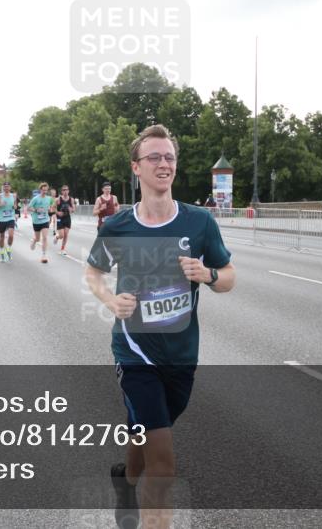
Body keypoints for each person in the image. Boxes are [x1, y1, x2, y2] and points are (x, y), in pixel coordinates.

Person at [84, 124, 235, 529]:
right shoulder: (117, 226)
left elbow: (229, 275)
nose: (164, 163)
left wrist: (208, 275)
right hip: (134, 351)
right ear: (137, 167)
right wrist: (109, 300)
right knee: (163, 461)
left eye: (169, 157)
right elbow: (93, 273)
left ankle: (125, 482)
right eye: (154, 157)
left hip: (182, 355)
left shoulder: (199, 222)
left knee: (144, 433)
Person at [27, 182, 55, 263]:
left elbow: (53, 206)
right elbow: (29, 208)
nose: (45, 192)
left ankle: (44, 255)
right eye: (43, 190)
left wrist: (51, 209)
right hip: (36, 221)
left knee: (45, 237)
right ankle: (34, 241)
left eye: (46, 190)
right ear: (40, 190)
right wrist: (36, 210)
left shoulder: (49, 198)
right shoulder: (35, 199)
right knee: (38, 238)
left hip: (45, 220)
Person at [0, 182, 18, 262]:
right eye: (5, 187)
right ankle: (2, 253)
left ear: (10, 188)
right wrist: (0, 205)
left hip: (11, 217)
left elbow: (15, 205)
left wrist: (15, 206)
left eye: (8, 187)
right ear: (3, 188)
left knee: (11, 235)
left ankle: (8, 248)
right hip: (1, 219)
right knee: (2, 237)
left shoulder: (13, 196)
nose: (6, 188)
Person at [54, 185, 75, 256]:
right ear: (62, 191)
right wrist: (57, 212)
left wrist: (70, 209)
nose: (65, 191)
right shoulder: (58, 199)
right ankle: (57, 237)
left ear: (68, 191)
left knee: (66, 234)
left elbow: (73, 210)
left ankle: (62, 249)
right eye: (64, 190)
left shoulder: (71, 199)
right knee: (61, 235)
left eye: (66, 190)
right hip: (60, 218)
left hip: (67, 218)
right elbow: (53, 208)